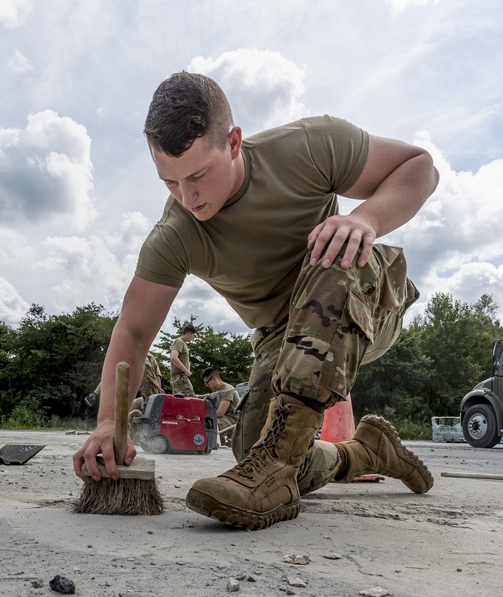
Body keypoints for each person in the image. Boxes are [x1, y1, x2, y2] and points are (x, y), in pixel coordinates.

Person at [74, 71, 439, 530]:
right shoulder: (175, 235)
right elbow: (132, 330)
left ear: (233, 142)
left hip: (361, 300)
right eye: (169, 183)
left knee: (335, 251)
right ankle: (365, 451)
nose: (188, 198)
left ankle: (274, 476)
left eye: (198, 176)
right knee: (255, 449)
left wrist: (364, 218)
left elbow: (421, 166)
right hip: (281, 338)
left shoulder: (309, 146)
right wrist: (107, 422)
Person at [83, 350, 164, 409]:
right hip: (141, 386)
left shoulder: (146, 356)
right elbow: (158, 377)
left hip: (143, 391)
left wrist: (95, 393)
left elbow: (110, 375)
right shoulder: (141, 355)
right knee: (154, 402)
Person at [201, 367, 240, 435]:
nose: (207, 386)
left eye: (207, 383)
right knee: (202, 422)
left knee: (209, 425)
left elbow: (220, 413)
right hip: (225, 417)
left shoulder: (227, 390)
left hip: (232, 419)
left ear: (214, 378)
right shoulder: (216, 390)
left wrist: (203, 416)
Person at [169, 325, 197, 396]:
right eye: (193, 335)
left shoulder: (183, 343)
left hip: (180, 376)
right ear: (188, 334)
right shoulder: (179, 342)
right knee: (189, 398)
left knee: (182, 400)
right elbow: (174, 357)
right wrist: (186, 371)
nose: (193, 338)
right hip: (180, 376)